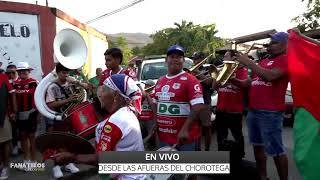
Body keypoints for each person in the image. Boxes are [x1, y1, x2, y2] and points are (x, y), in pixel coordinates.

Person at [52, 74, 145, 180]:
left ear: (116, 96)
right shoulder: (127, 113)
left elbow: (101, 159)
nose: (100, 94)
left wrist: (71, 157)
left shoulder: (115, 122)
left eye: (104, 90)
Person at [233, 32, 289, 180]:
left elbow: (270, 76)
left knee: (277, 151)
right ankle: (263, 177)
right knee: (258, 148)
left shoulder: (285, 59)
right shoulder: (264, 61)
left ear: (285, 45)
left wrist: (249, 62)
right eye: (270, 42)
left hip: (270, 113)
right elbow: (248, 83)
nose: (269, 45)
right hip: (253, 111)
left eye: (274, 42)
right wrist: (230, 79)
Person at [152, 45, 205, 152]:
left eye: (179, 57)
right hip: (164, 137)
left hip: (185, 139)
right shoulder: (160, 80)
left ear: (183, 60)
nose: (175, 59)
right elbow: (155, 103)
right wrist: (155, 122)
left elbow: (198, 106)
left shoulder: (191, 80)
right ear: (166, 60)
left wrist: (185, 129)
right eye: (172, 56)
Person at [45, 63, 81, 178]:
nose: (66, 75)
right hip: (59, 117)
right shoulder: (52, 86)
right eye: (63, 73)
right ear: (58, 73)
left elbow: (80, 94)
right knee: (59, 142)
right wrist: (68, 100)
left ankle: (68, 163)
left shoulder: (71, 84)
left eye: (67, 73)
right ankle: (56, 166)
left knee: (70, 141)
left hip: (71, 116)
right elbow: (51, 104)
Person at [212, 50, 247, 161]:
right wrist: (216, 75)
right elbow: (214, 87)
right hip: (221, 109)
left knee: (237, 135)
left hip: (235, 110)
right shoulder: (222, 70)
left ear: (233, 58)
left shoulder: (243, 71)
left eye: (226, 56)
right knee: (221, 136)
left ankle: (240, 155)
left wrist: (232, 78)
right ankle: (221, 157)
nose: (223, 59)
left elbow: (244, 85)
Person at [13, 62, 39, 171]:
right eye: (20, 71)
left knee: (32, 137)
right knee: (23, 136)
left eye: (24, 70)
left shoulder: (35, 82)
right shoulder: (14, 83)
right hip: (19, 114)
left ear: (29, 71)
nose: (22, 72)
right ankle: (26, 159)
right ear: (17, 72)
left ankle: (33, 160)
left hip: (32, 113)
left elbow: (40, 100)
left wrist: (39, 115)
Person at [100, 48, 142, 114]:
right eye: (105, 60)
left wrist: (134, 110)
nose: (105, 63)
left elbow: (139, 92)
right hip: (109, 112)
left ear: (117, 60)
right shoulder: (104, 73)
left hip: (125, 113)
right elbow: (100, 91)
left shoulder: (128, 73)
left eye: (108, 60)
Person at [191, 51, 212, 151]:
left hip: (205, 103)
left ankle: (207, 150)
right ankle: (197, 149)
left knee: (206, 128)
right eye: (194, 59)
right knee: (196, 128)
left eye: (197, 58)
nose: (195, 61)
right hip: (194, 103)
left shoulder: (208, 69)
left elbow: (208, 82)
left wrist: (197, 72)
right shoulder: (190, 70)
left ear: (202, 59)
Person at [0, 72, 17, 180]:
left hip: (2, 116)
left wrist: (14, 111)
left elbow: (12, 93)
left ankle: (5, 167)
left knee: (4, 142)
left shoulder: (2, 77)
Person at [5, 64, 20, 156]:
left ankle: (22, 146)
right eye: (8, 73)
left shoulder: (22, 81)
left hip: (24, 111)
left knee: (23, 130)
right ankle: (15, 146)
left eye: (13, 72)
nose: (10, 74)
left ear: (17, 72)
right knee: (13, 129)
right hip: (11, 111)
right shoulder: (5, 83)